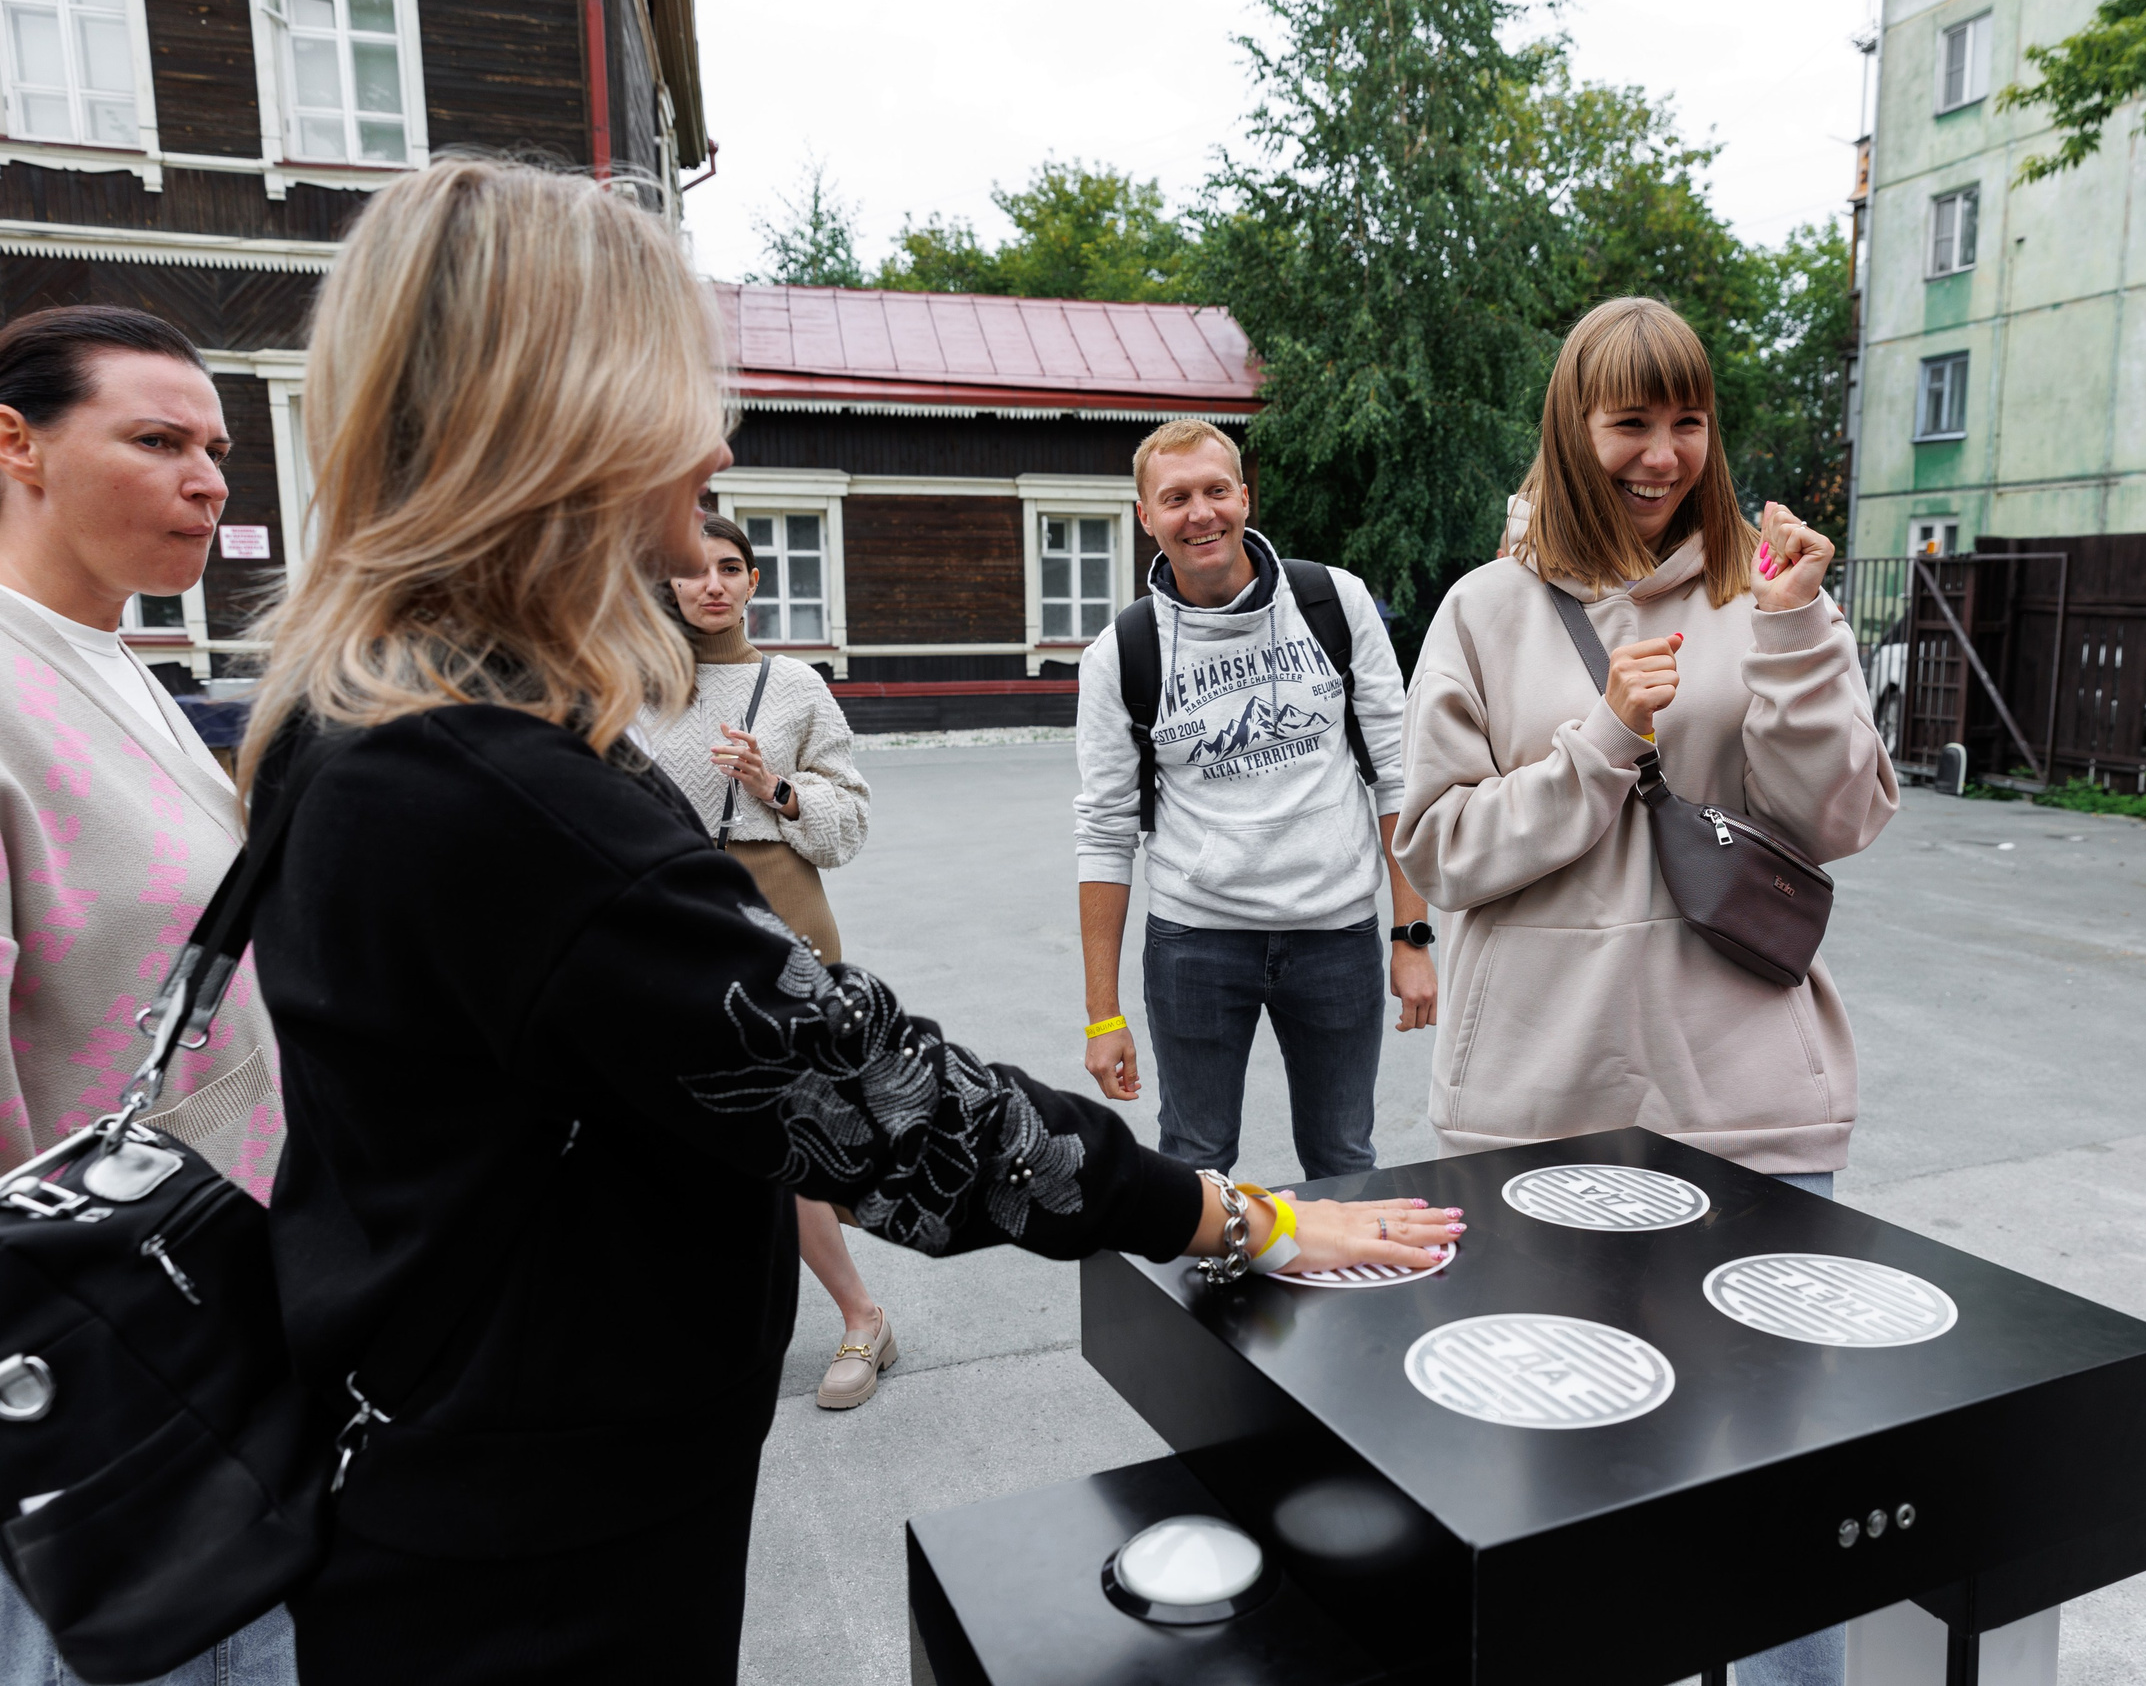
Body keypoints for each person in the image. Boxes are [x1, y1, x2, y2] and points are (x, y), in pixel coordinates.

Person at [233, 158, 1457, 1685]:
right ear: (567, 417)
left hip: (465, 1459)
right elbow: (891, 1105)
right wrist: (1247, 1213)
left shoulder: (364, 716)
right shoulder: (489, 786)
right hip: (531, 1536)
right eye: (681, 391)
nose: (714, 444)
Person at [1391, 297, 1898, 1686]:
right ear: (1574, 426)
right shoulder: (1486, 612)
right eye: (1631, 419)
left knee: (1790, 1490)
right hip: (1532, 1112)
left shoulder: (1769, 588)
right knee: (1557, 1488)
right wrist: (1603, 737)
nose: (1662, 451)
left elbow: (1843, 817)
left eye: (1688, 419)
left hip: (1753, 1112)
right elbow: (1435, 845)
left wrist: (1794, 639)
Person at [0, 306, 296, 1683]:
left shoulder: (119, 664)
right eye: (157, 439)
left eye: (219, 447)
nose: (210, 477)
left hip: (214, 1309)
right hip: (94, 1368)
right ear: (19, 446)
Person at [1072, 418, 1434, 1183]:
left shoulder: (1335, 601)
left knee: (1343, 1159)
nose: (1199, 513)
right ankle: (1205, 1305)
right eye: (1175, 498)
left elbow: (1399, 774)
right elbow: (1104, 831)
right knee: (1196, 1163)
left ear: (1245, 495)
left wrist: (1412, 935)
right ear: (1146, 516)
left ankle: (1350, 1303)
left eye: (1214, 490)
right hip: (1196, 943)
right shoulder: (1122, 653)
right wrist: (1103, 1013)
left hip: (1335, 932)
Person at [649, 512, 897, 1411]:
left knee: (777, 1129)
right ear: (668, 585)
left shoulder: (794, 686)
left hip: (781, 910)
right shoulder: (633, 684)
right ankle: (702, 1324)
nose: (710, 585)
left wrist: (775, 786)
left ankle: (862, 1317)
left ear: (754, 581)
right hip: (669, 911)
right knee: (677, 1128)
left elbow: (851, 822)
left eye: (729, 568)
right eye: (691, 571)